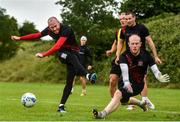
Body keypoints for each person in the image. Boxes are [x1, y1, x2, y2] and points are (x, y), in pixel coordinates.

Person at [11, 17, 97, 113]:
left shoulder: (66, 29)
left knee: (69, 81)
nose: (54, 29)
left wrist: (44, 54)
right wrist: (20, 38)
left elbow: (57, 45)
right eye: (52, 28)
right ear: (49, 27)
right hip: (62, 53)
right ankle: (88, 75)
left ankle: (61, 106)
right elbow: (38, 36)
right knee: (71, 58)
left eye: (55, 26)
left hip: (74, 53)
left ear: (59, 23)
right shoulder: (49, 30)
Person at [93, 34, 170, 119]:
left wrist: (158, 76)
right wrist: (126, 82)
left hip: (138, 84)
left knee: (118, 94)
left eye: (137, 43)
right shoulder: (124, 56)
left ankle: (102, 114)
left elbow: (154, 68)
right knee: (123, 101)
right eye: (132, 43)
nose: (134, 46)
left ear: (140, 44)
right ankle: (141, 104)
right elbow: (124, 70)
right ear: (128, 44)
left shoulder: (146, 54)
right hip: (125, 82)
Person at [115, 11, 162, 110]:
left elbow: (149, 41)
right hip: (128, 58)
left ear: (134, 18)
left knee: (141, 79)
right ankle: (133, 102)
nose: (127, 20)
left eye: (129, 18)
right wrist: (118, 55)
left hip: (141, 57)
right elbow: (120, 42)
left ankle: (145, 99)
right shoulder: (124, 30)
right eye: (126, 19)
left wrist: (155, 56)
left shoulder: (142, 28)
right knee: (128, 80)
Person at [106, 13, 126, 98]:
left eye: (123, 18)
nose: (122, 20)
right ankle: (113, 102)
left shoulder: (134, 31)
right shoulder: (119, 31)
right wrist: (111, 50)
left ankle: (131, 104)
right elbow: (116, 42)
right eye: (120, 19)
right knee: (112, 80)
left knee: (128, 82)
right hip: (119, 58)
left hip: (129, 60)